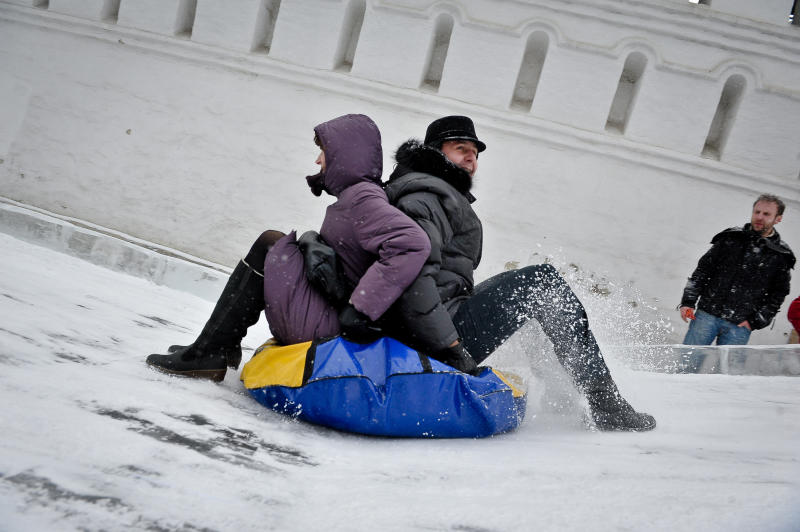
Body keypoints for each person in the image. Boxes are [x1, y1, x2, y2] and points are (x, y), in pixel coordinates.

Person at [376, 115, 656, 431]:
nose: (471, 157)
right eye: (461, 148)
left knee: (525, 294)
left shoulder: (433, 192)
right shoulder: (425, 197)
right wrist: (452, 348)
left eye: (475, 153)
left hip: (434, 322)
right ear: (435, 153)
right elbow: (412, 276)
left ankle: (560, 393)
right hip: (433, 336)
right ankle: (605, 403)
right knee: (541, 284)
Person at [145, 113, 467, 381]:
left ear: (345, 155)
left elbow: (411, 244)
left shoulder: (363, 198)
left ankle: (210, 351)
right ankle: (217, 345)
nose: (317, 159)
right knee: (275, 245)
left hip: (330, 329)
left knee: (270, 244)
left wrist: (362, 307)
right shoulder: (358, 194)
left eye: (323, 152)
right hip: (328, 316)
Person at [679, 194, 795, 346]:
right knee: (687, 365)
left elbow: (778, 294)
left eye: (766, 214)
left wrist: (756, 321)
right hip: (706, 315)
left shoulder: (780, 255)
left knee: (726, 369)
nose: (759, 217)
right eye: (757, 212)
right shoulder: (730, 238)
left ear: (778, 219)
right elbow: (702, 271)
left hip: (740, 325)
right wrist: (688, 302)